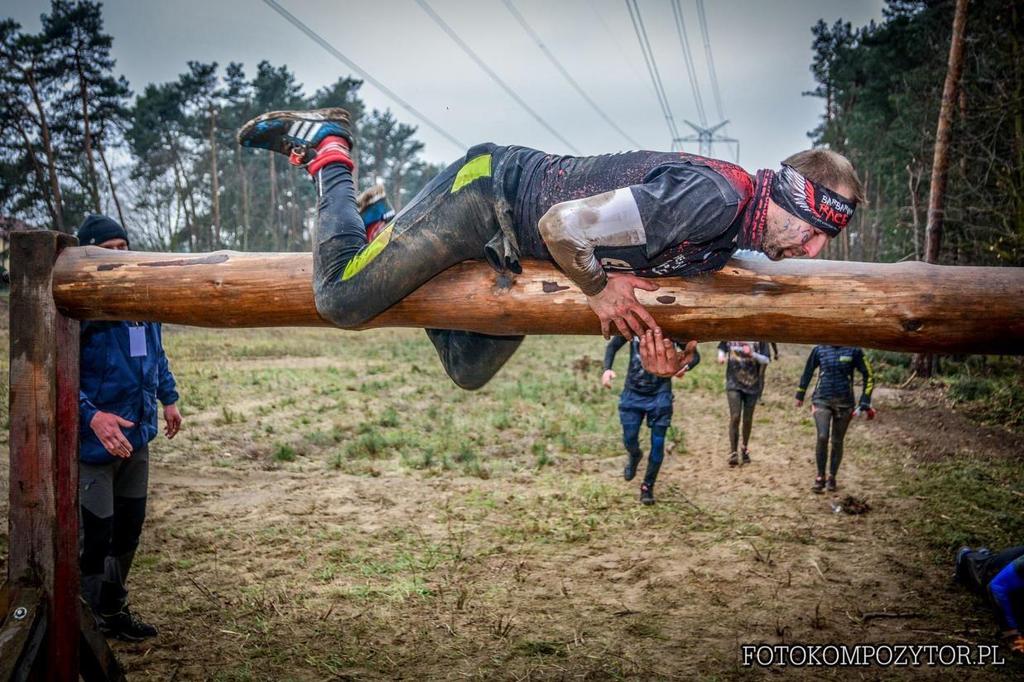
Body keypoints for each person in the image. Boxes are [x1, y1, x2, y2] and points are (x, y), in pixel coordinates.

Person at [236, 108, 863, 389]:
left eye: (822, 242)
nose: (810, 249)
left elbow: (666, 296)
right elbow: (566, 225)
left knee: (468, 369)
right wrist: (599, 287)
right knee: (341, 298)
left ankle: (381, 226)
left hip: (515, 247)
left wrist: (672, 362)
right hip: (489, 193)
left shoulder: (734, 234)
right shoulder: (715, 199)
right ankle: (328, 153)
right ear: (790, 196)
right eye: (812, 230)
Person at [77, 214, 183, 641]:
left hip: (137, 438)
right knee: (95, 534)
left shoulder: (142, 302)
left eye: (124, 247)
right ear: (89, 253)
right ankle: (82, 625)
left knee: (128, 528)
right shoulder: (79, 308)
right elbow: (55, 376)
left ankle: (112, 608)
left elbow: (156, 356)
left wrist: (169, 398)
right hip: (92, 446)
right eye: (109, 248)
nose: (120, 256)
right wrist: (92, 415)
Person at [602, 336, 699, 505]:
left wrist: (685, 367)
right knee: (629, 439)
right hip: (633, 392)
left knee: (658, 444)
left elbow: (695, 356)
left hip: (660, 394)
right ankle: (634, 455)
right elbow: (612, 346)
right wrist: (607, 369)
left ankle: (647, 486)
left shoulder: (672, 330)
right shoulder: (633, 327)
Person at [794, 345, 875, 493]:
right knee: (823, 436)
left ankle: (832, 476)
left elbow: (868, 374)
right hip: (821, 400)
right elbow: (808, 370)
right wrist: (800, 393)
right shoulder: (820, 349)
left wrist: (865, 400)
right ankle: (820, 476)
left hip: (845, 403)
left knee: (837, 441)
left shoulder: (854, 350)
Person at [955, 546, 1024, 655]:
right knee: (984, 572)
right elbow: (997, 587)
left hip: (1013, 565)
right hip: (999, 575)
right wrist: (1011, 633)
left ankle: (986, 556)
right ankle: (968, 557)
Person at [717, 341, 771, 466]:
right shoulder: (733, 331)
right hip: (733, 383)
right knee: (735, 416)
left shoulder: (760, 337)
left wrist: (753, 354)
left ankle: (744, 448)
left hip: (752, 384)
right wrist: (721, 356)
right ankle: (733, 452)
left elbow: (766, 359)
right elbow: (722, 347)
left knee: (747, 419)